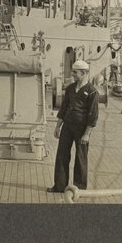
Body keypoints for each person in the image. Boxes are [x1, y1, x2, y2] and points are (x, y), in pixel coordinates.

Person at [47, 59, 99, 193]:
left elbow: (93, 115)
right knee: (61, 155)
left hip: (82, 129)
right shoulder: (70, 88)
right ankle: (59, 186)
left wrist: (87, 134)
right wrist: (58, 127)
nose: (73, 74)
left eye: (75, 72)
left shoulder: (92, 92)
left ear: (84, 73)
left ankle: (79, 188)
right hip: (67, 127)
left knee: (81, 158)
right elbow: (63, 109)